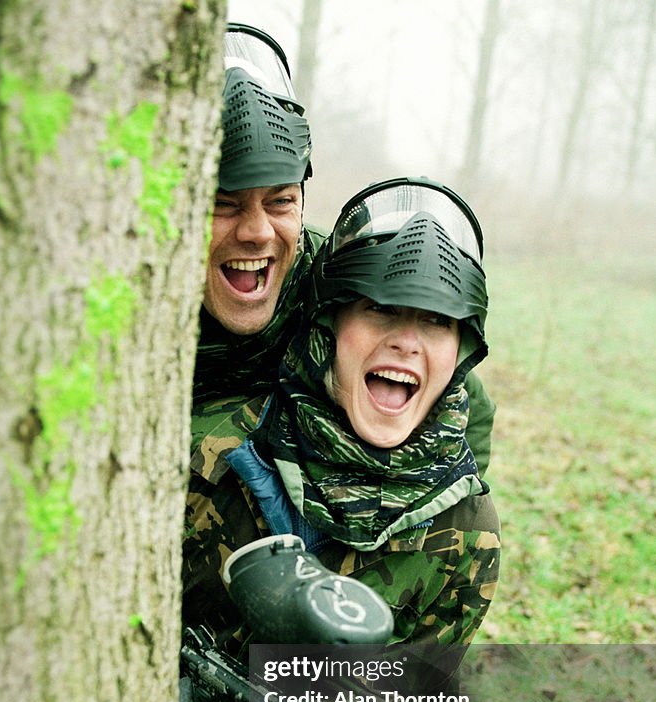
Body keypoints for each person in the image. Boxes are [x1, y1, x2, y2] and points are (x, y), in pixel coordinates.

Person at [180, 178, 501, 702]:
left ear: (460, 352)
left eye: (434, 323)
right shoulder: (224, 451)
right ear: (327, 330)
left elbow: (421, 695)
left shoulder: (463, 521)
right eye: (377, 312)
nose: (405, 343)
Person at [196, 23, 497, 477]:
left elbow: (460, 397)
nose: (258, 233)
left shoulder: (328, 278)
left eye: (281, 202)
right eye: (223, 204)